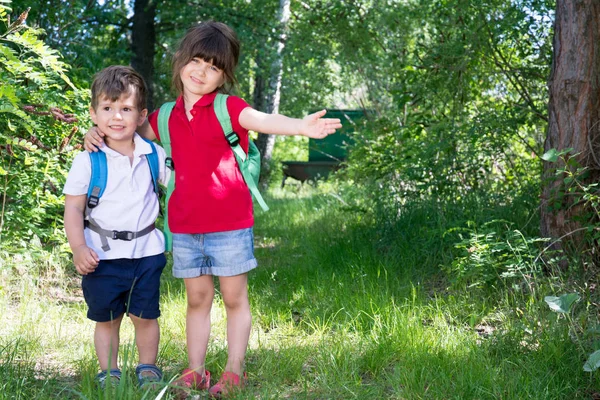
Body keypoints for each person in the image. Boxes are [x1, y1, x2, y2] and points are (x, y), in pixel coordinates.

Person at [84, 21, 342, 398]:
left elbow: (263, 120)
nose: (202, 72)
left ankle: (234, 371)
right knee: (197, 300)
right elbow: (123, 134)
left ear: (224, 74)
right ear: (180, 60)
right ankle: (196, 370)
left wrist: (301, 127)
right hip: (185, 228)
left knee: (235, 298)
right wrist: (97, 134)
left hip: (230, 224)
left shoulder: (228, 107)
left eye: (214, 66)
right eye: (196, 61)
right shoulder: (164, 116)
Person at [64, 65, 169, 388]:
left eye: (126, 108)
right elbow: (73, 209)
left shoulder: (154, 154)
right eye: (107, 108)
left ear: (141, 116)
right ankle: (108, 371)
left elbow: (181, 187)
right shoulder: (87, 160)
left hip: (147, 252)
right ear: (94, 113)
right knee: (106, 319)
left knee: (145, 316)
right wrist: (79, 248)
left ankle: (147, 368)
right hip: (101, 255)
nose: (116, 117)